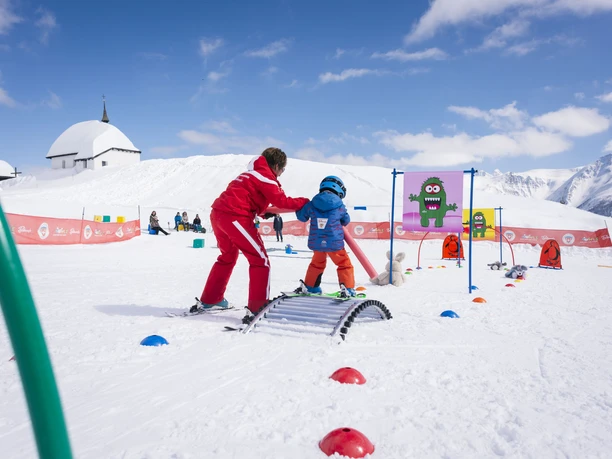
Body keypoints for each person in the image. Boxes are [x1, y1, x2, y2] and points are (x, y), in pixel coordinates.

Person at [195, 147, 309, 321]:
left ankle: (211, 298)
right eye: (282, 170)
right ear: (277, 166)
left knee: (227, 257)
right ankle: (258, 307)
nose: (281, 174)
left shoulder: (247, 175)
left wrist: (263, 212)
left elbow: (244, 197)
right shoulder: (267, 177)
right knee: (260, 261)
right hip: (235, 217)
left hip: (218, 215)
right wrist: (306, 202)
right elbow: (282, 201)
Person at [294, 176, 356, 297]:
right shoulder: (339, 205)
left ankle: (311, 287)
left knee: (317, 264)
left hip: (317, 242)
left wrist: (298, 208)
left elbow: (302, 217)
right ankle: (347, 288)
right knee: (344, 263)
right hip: (334, 243)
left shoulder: (312, 204)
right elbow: (345, 220)